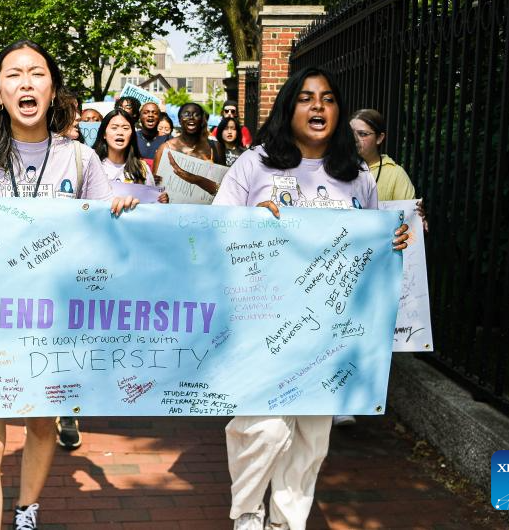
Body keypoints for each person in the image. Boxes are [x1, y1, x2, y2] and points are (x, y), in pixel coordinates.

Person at [0, 40, 136, 530]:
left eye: (37, 73)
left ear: (53, 89)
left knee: (42, 423)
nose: (26, 83)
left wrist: (120, 212)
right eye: (13, 75)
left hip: (56, 323)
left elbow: (105, 237)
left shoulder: (80, 160)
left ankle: (26, 510)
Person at [212, 68, 409, 530]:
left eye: (327, 99)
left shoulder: (356, 173)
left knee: (311, 435)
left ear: (338, 112)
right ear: (288, 107)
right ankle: (246, 512)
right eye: (305, 98)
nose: (317, 107)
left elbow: (371, 241)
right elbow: (216, 230)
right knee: (261, 426)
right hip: (263, 324)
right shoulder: (254, 164)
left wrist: (392, 241)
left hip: (331, 329)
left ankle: (286, 521)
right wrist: (251, 222)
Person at [153, 102, 223, 198]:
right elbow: (155, 187)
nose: (191, 117)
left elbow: (224, 187)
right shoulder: (165, 148)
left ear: (202, 120)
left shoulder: (215, 147)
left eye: (196, 114)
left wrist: (199, 180)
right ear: (179, 119)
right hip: (171, 210)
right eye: (186, 114)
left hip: (207, 211)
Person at [349, 109, 416, 202]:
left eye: (362, 134)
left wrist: (415, 213)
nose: (354, 139)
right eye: (350, 133)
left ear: (379, 138)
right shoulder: (336, 167)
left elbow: (408, 214)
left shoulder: (395, 175)